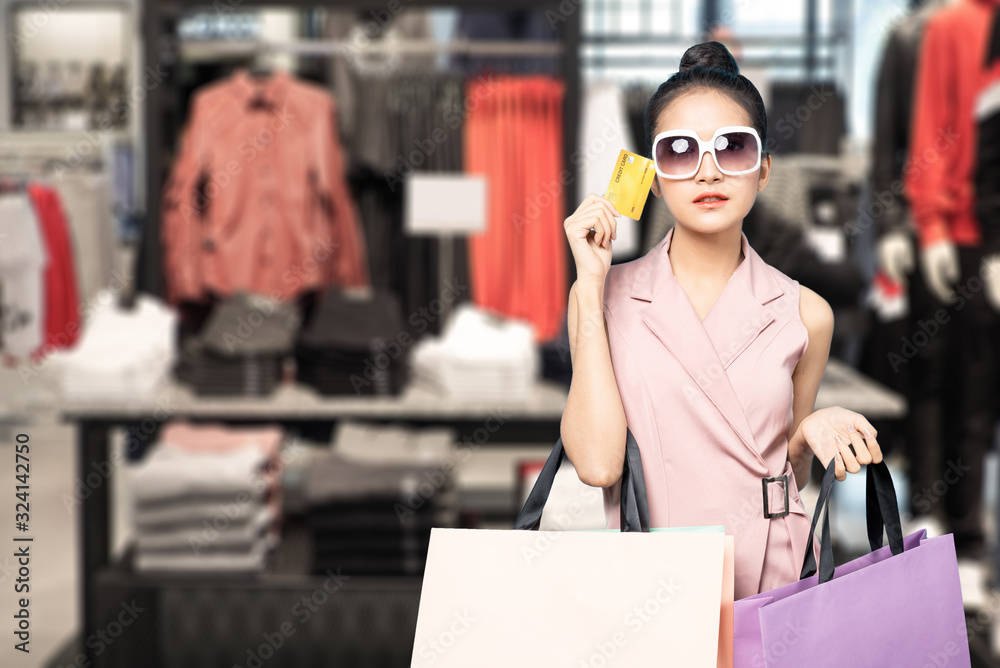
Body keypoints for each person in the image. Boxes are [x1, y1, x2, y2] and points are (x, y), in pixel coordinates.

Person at [560, 41, 883, 600]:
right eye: (680, 151)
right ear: (654, 177)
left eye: (732, 147)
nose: (708, 170)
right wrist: (590, 284)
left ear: (763, 171)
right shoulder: (601, 295)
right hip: (652, 586)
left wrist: (806, 435)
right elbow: (596, 465)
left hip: (771, 581)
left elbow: (789, 475)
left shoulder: (807, 312)